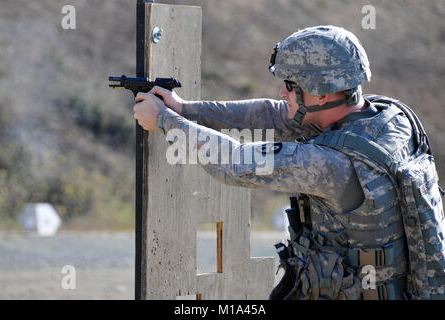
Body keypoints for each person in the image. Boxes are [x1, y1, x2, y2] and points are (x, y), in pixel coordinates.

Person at [132, 25, 445, 300]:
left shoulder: (329, 165)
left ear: (323, 94)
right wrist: (186, 110)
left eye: (292, 85)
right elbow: (275, 114)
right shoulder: (387, 118)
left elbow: (235, 164)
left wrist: (165, 122)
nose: (283, 92)